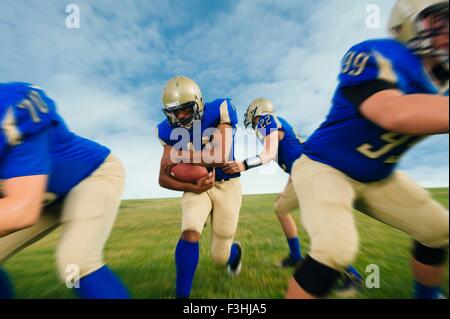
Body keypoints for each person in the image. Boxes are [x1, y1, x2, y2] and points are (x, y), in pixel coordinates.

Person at [286, 0, 449, 299]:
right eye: (440, 21)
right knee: (335, 247)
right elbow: (392, 111)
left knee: (438, 228)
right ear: (408, 25)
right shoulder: (378, 54)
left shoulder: (444, 81)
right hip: (326, 166)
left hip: (377, 176)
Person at [0, 82, 130, 299]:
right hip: (42, 197)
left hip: (89, 176)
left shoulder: (10, 105)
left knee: (76, 263)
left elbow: (22, 209)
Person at [157, 76, 243, 299]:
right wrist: (191, 187)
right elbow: (163, 178)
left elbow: (220, 156)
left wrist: (180, 154)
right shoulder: (165, 131)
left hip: (227, 185)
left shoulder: (220, 109)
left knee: (219, 256)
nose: (182, 116)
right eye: (176, 112)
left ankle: (234, 254)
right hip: (197, 186)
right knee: (190, 231)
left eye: (185, 109)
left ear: (198, 102)